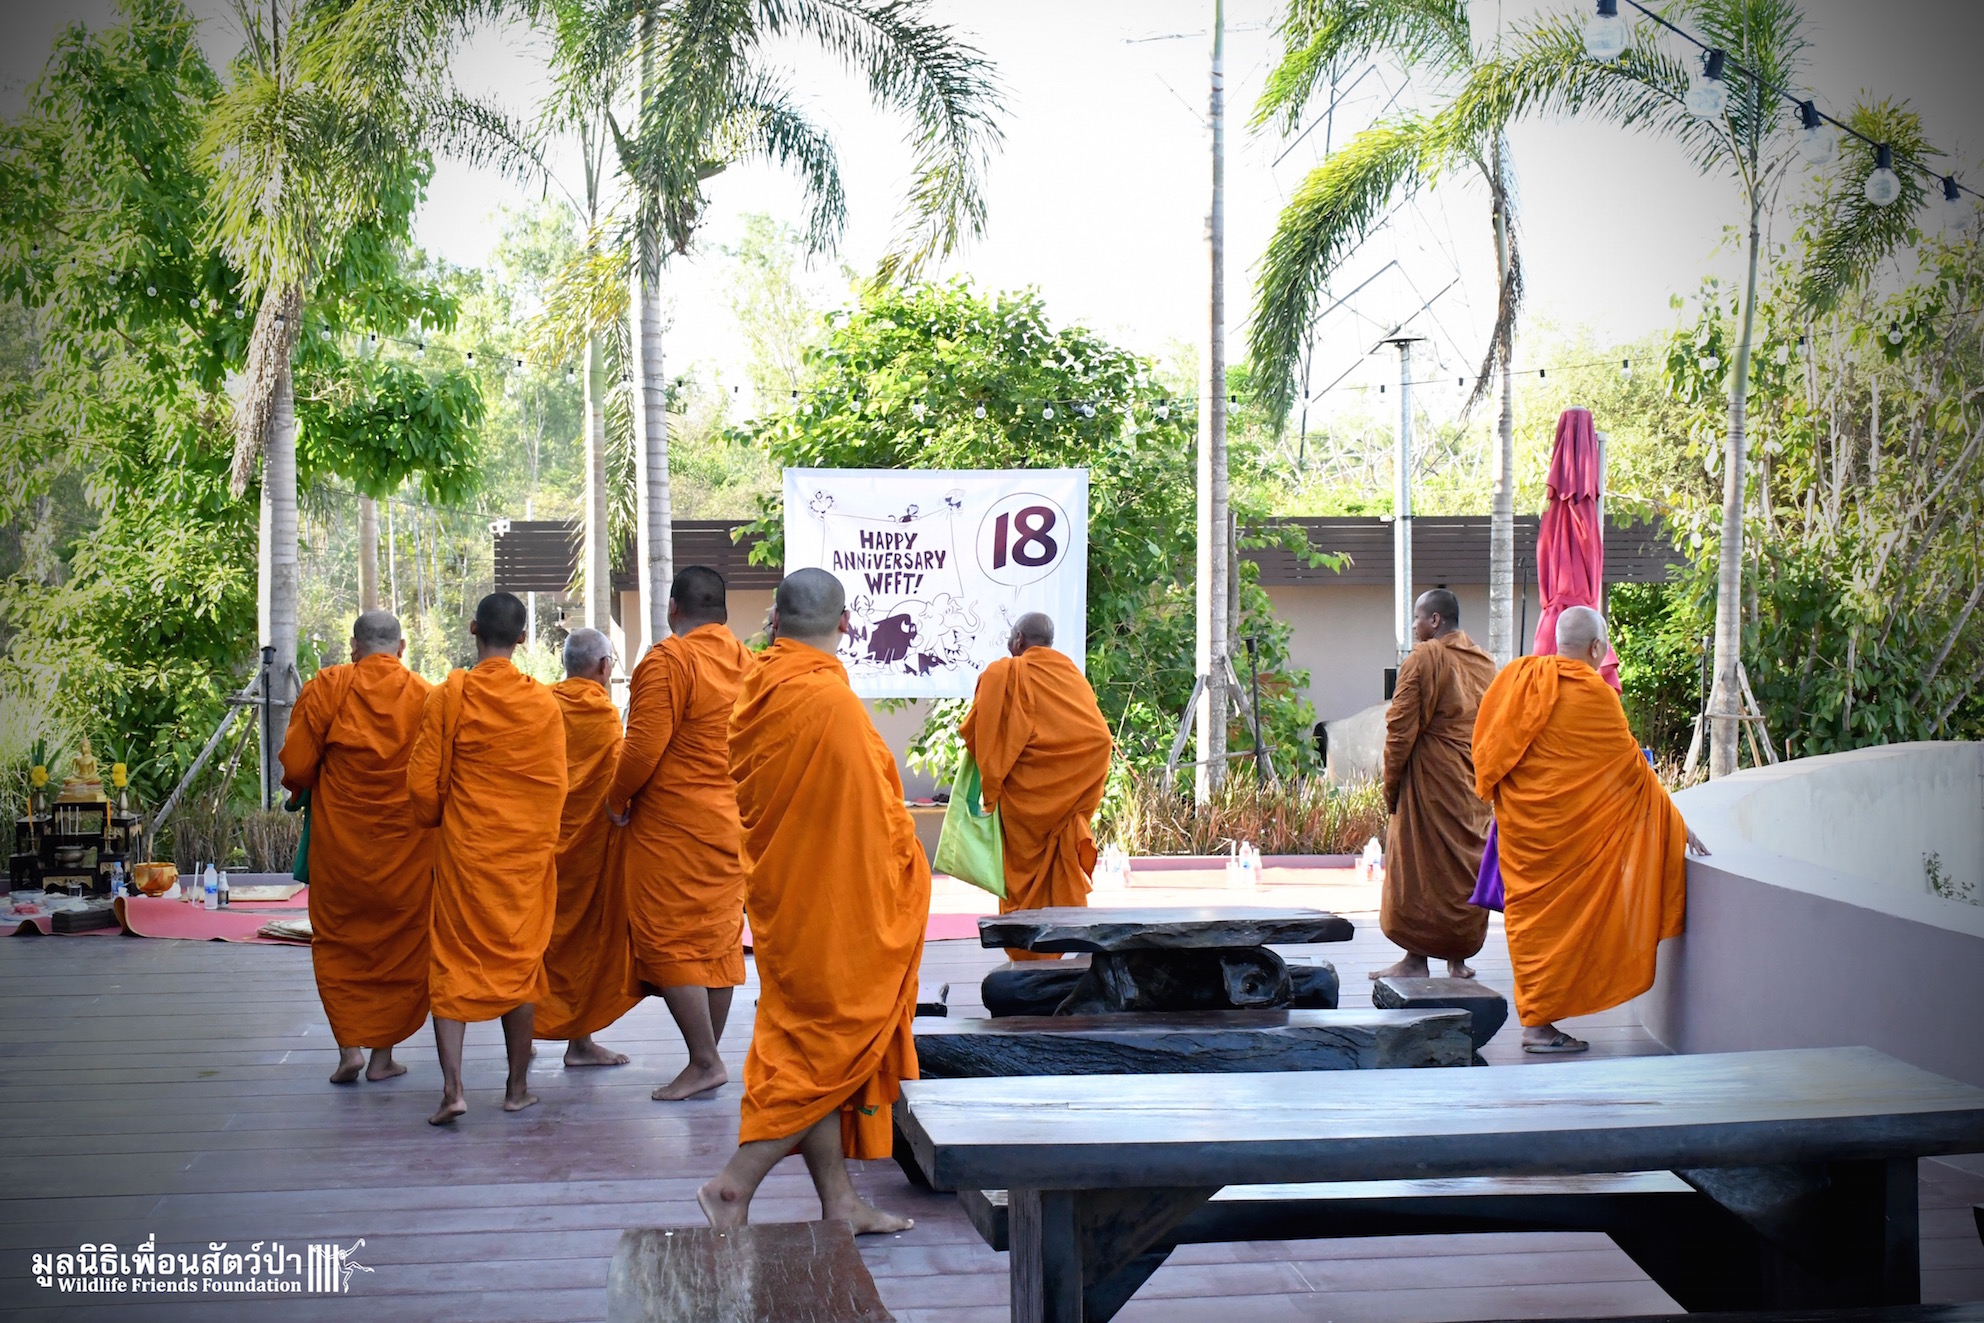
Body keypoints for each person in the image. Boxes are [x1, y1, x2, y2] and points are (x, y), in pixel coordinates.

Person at [698, 569, 928, 1234]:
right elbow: (880, 823)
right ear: (846, 624)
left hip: (787, 904)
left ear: (774, 622)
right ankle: (733, 1185)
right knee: (825, 1047)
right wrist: (908, 867)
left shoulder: (757, 691)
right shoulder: (831, 704)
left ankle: (840, 1203)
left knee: (806, 1051)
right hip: (834, 912)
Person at [1473, 606, 1708, 1054]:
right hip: (1567, 844)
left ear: (1558, 641)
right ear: (1597, 648)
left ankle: (1538, 1023)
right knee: (1558, 927)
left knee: (1534, 924)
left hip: (1526, 835)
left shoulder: (1517, 681)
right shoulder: (1595, 696)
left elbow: (1488, 752)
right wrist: (1677, 824)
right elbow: (1633, 773)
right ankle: (1538, 1027)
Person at [406, 592, 568, 1123]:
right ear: (522, 638)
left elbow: (421, 785)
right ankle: (516, 1088)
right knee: (521, 961)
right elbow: (555, 787)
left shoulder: (449, 695)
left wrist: (441, 818)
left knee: (452, 960)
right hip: (522, 859)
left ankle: (453, 1090)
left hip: (467, 854)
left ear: (474, 629)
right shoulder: (542, 703)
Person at [607, 566, 756, 1102]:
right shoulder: (748, 662)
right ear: (723, 612)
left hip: (674, 827)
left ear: (674, 608)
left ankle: (705, 1060)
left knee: (668, 939)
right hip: (732, 822)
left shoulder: (669, 660)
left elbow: (641, 748)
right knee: (717, 942)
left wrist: (616, 799)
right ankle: (706, 1058)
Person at [279, 611, 437, 1086]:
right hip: (406, 853)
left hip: (341, 849)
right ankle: (382, 1057)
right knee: (399, 945)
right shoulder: (426, 696)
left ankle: (349, 1048)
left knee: (338, 943)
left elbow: (298, 766)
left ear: (354, 647)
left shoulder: (327, 687)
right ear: (401, 648)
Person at [960, 611, 1112, 961]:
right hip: (1063, 806)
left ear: (1018, 640)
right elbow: (1100, 739)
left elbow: (977, 732)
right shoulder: (1070, 675)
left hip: (1022, 805)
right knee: (1054, 877)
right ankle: (1047, 960)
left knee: (1020, 883)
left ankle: (1027, 962)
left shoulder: (1003, 675)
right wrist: (1073, 794)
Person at [1371, 590, 1497, 982]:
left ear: (1435, 620)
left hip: (1430, 781)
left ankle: (1415, 959)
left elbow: (1399, 729)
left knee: (1422, 868)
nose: (1415, 626)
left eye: (1417, 619)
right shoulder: (1486, 663)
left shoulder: (1423, 658)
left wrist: (1392, 787)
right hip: (1472, 784)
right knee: (1463, 865)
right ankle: (1458, 960)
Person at [534, 627, 638, 1068]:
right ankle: (578, 1042)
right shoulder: (601, 714)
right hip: (589, 847)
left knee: (538, 937)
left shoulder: (541, 704)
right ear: (603, 666)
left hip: (542, 843)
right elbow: (617, 776)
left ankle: (530, 1035)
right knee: (583, 942)